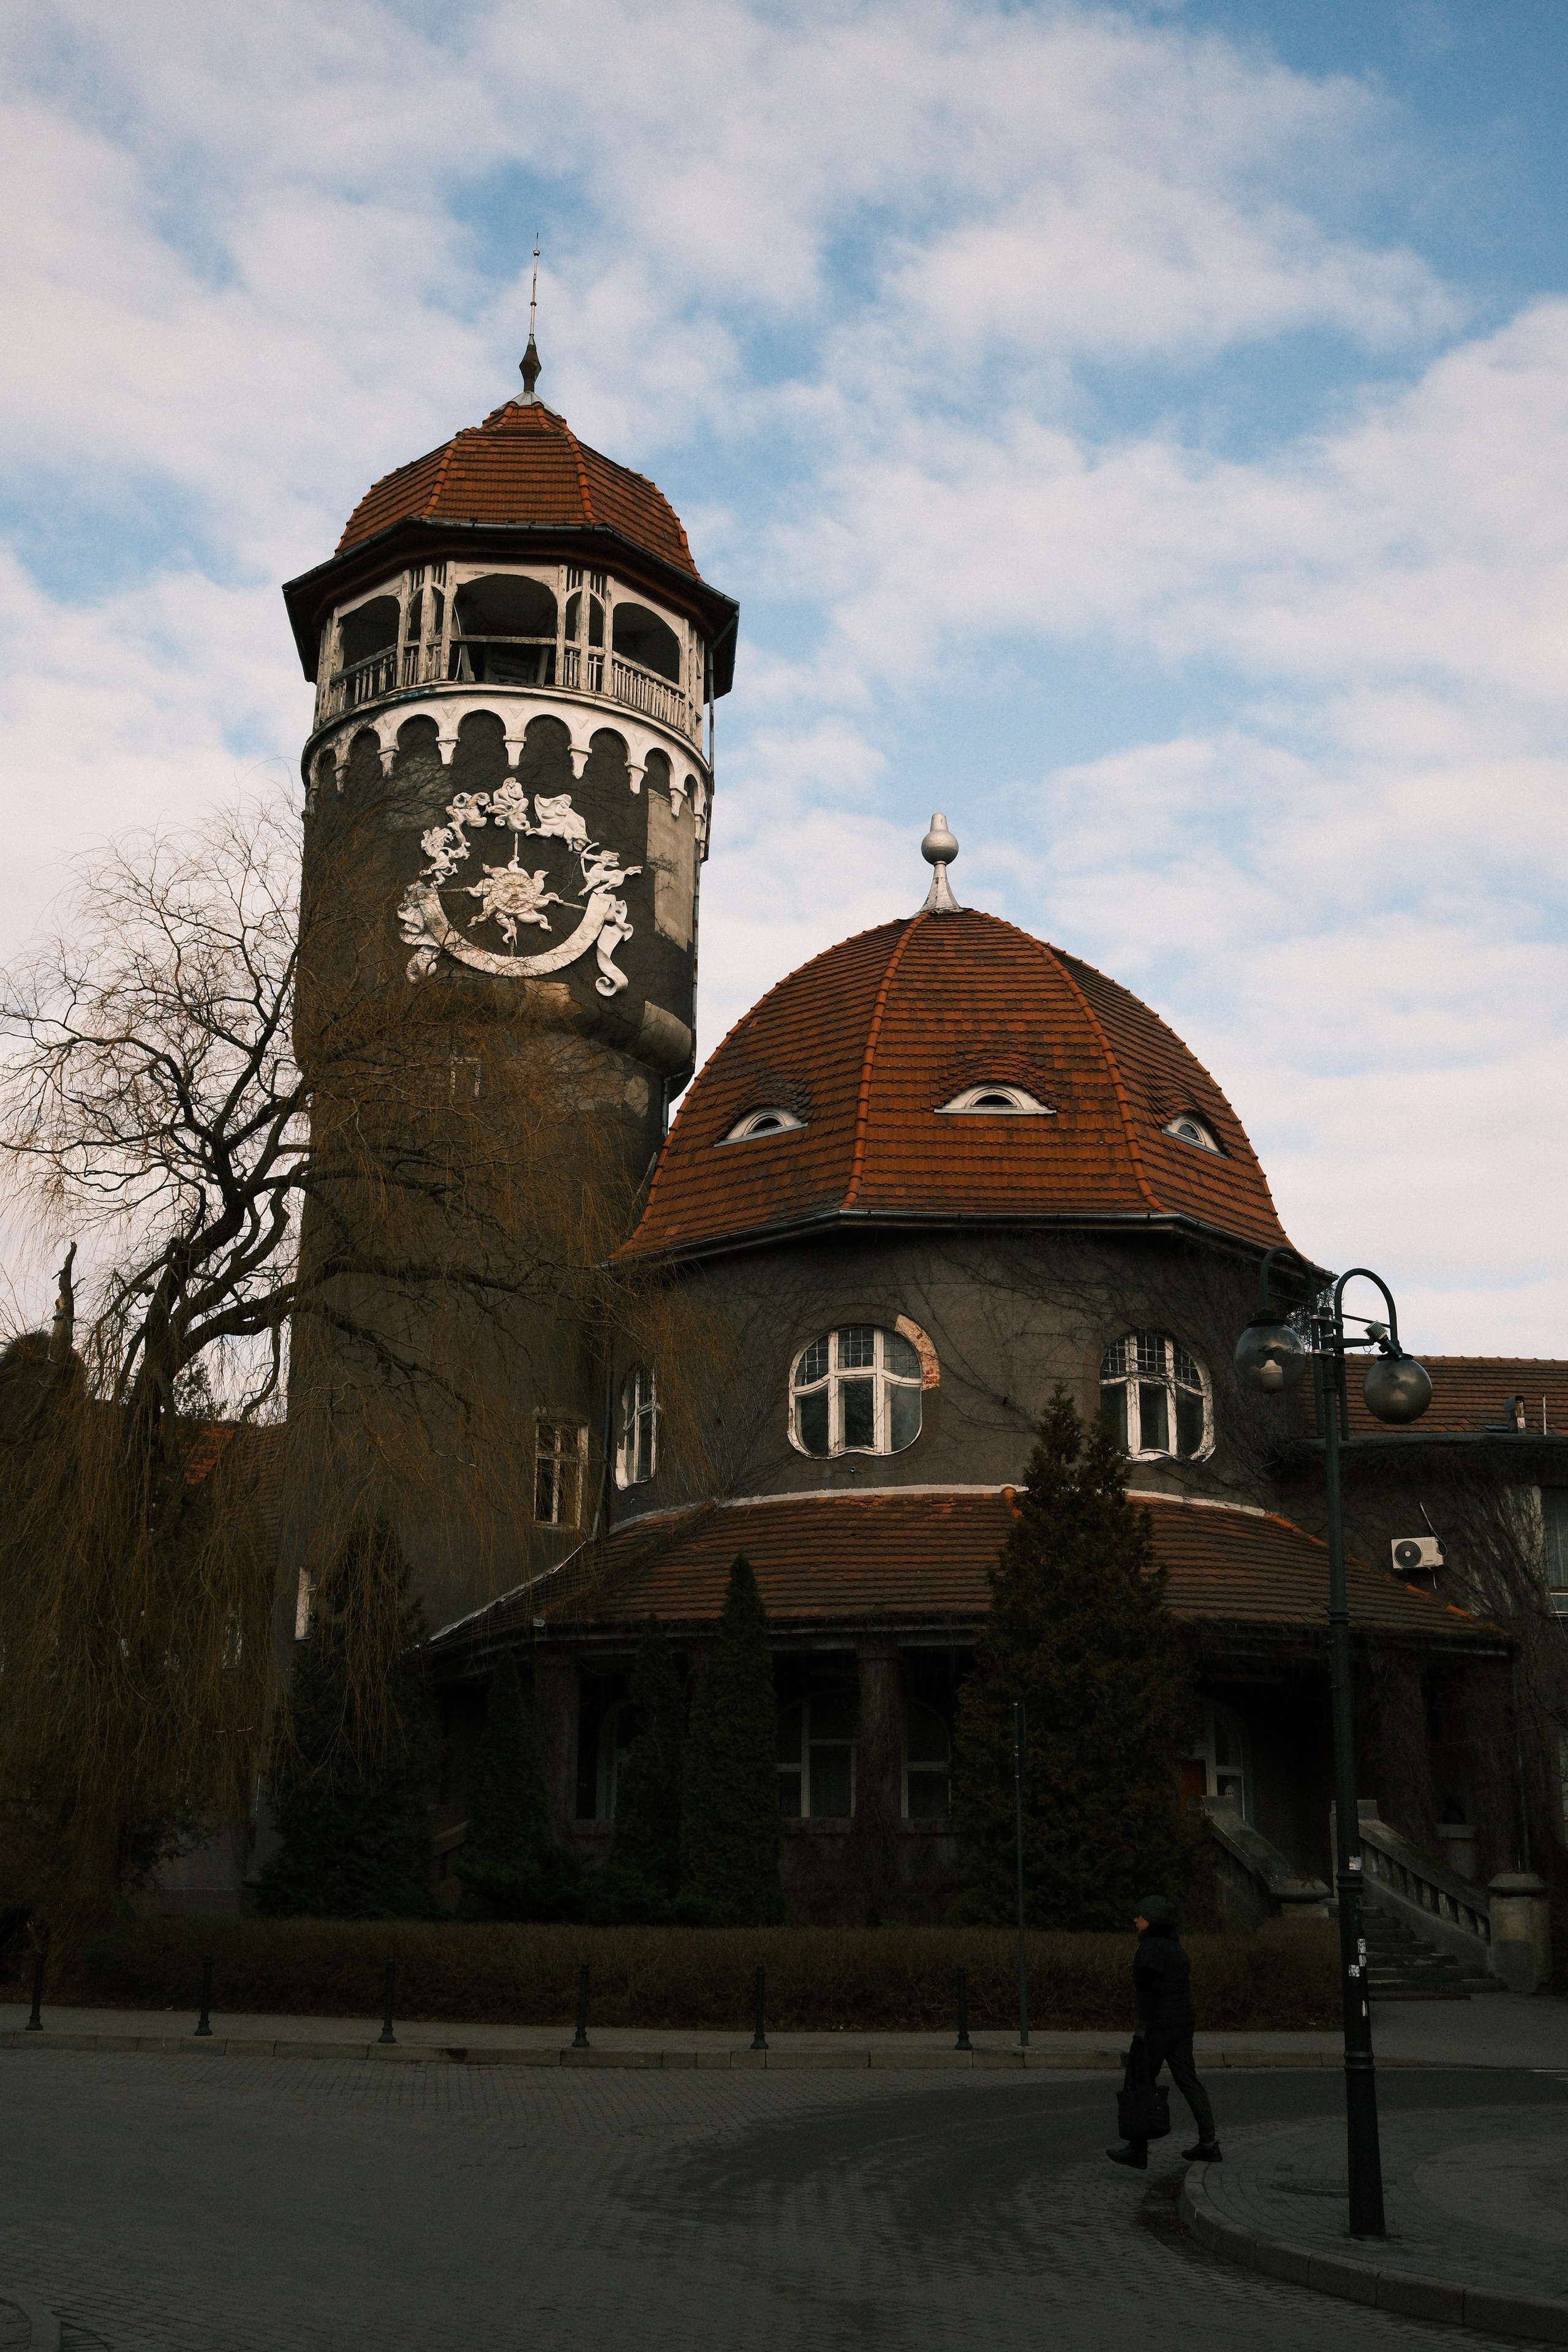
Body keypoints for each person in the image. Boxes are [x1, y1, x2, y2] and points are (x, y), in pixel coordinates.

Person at [1106, 1894, 1221, 2169]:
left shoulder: (1151, 1948)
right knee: (1188, 2081)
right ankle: (1209, 2144)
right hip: (1182, 2024)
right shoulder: (1176, 1948)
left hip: (1158, 2026)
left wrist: (1142, 2029)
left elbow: (1149, 1991)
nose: (1135, 1920)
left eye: (1140, 1915)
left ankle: (1138, 2148)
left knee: (1137, 2079)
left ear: (1153, 1919)